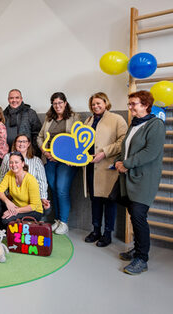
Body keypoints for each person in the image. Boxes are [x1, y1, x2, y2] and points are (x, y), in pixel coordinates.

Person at [114, 91, 165, 275]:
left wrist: (126, 164)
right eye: (129, 104)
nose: (130, 107)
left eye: (133, 103)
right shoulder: (134, 125)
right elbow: (126, 149)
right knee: (133, 214)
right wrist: (119, 162)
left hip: (144, 179)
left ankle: (142, 258)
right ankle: (137, 249)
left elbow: (150, 152)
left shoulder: (156, 125)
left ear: (145, 105)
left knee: (138, 216)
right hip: (128, 177)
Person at [83, 92, 127, 247]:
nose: (96, 106)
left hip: (107, 166)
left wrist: (104, 152)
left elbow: (123, 141)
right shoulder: (88, 120)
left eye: (98, 103)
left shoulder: (117, 119)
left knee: (108, 201)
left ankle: (107, 234)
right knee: (94, 199)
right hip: (90, 165)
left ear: (106, 103)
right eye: (93, 104)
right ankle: (96, 230)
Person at [37, 92, 80, 235]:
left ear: (65, 103)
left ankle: (64, 222)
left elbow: (76, 140)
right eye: (55, 103)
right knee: (54, 187)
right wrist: (45, 152)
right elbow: (40, 137)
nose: (57, 106)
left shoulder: (74, 117)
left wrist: (61, 155)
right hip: (49, 159)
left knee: (62, 189)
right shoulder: (49, 118)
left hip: (66, 161)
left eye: (60, 103)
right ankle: (56, 220)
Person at [0, 152, 43, 229]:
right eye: (11, 162)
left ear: (22, 164)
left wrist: (15, 211)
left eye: (16, 162)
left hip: (32, 211)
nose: (13, 165)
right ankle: (3, 226)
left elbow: (34, 206)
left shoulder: (31, 180)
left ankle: (4, 224)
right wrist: (7, 202)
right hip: (14, 206)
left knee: (6, 220)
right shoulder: (9, 174)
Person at [0, 134, 49, 210]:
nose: (21, 144)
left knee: (47, 209)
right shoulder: (7, 157)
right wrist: (6, 196)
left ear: (28, 144)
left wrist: (43, 198)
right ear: (15, 143)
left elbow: (42, 181)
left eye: (24, 141)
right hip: (12, 197)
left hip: (30, 200)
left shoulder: (36, 161)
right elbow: (2, 176)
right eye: (19, 141)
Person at [3, 89, 41, 154]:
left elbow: (37, 133)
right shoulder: (3, 114)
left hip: (26, 152)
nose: (14, 100)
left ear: (21, 99)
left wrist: (33, 152)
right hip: (7, 152)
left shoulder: (30, 113)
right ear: (8, 100)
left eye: (17, 98)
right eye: (11, 98)